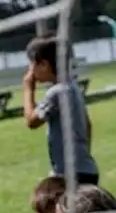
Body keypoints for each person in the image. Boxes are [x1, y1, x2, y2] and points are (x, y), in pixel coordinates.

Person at [22, 35, 101, 185]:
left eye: (32, 64)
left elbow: (31, 121)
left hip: (69, 174)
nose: (30, 70)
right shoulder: (72, 87)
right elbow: (88, 125)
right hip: (85, 169)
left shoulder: (57, 92)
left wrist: (28, 89)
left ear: (44, 64)